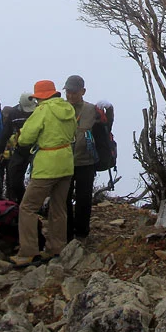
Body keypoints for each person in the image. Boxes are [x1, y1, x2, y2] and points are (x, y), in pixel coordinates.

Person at [12, 80, 76, 267]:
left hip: (47, 165)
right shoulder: (68, 109)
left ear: (41, 97)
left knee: (28, 207)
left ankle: (28, 252)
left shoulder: (42, 111)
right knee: (59, 207)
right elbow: (73, 132)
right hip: (66, 163)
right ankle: (56, 248)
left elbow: (26, 138)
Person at [63, 74, 99, 240]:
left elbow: (103, 130)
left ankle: (82, 233)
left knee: (84, 198)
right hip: (64, 161)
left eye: (74, 92)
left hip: (86, 161)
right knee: (64, 198)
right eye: (68, 92)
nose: (70, 96)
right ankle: (67, 233)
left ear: (83, 91)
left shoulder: (91, 110)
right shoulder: (60, 107)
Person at [0, 92, 37, 202]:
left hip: (37, 150)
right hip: (20, 149)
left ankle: (33, 204)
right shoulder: (14, 113)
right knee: (13, 177)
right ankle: (20, 201)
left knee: (37, 179)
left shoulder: (39, 110)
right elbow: (6, 132)